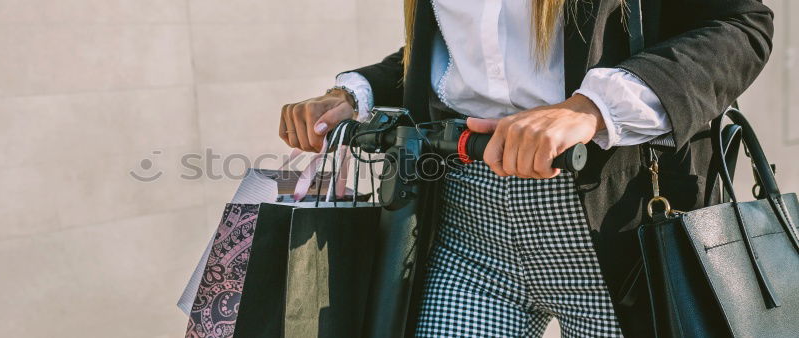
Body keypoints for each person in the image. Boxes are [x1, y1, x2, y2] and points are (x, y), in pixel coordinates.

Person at [277, 0, 773, 336]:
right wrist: (355, 94)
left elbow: (739, 26)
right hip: (467, 231)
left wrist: (591, 107)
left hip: (619, 226)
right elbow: (465, 57)